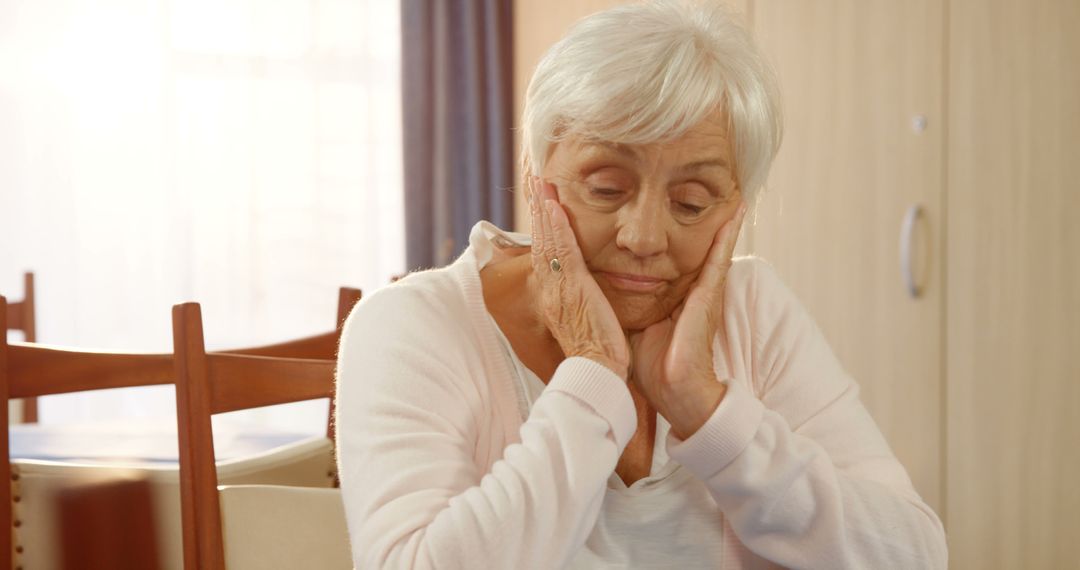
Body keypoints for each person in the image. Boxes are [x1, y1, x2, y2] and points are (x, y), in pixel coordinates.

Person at [335, 1, 948, 568]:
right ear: (535, 173)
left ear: (739, 205)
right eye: (606, 188)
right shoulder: (412, 325)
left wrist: (707, 412)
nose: (644, 236)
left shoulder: (752, 309)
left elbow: (911, 553)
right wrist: (594, 373)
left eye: (691, 202)